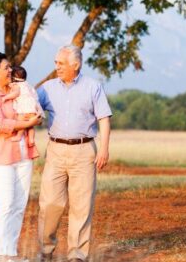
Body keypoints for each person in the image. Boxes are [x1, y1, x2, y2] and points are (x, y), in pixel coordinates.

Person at [36, 45, 112, 262]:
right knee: (50, 203)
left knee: (81, 205)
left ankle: (76, 256)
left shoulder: (93, 87)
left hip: (84, 150)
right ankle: (46, 251)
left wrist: (104, 149)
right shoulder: (47, 88)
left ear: (75, 65)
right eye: (56, 63)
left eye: (60, 63)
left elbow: (104, 118)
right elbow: (30, 106)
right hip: (56, 150)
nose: (56, 67)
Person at [0, 51, 41, 262]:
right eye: (6, 68)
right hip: (0, 158)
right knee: (5, 205)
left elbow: (30, 106)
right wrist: (28, 124)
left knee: (19, 205)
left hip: (24, 154)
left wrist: (33, 117)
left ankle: (11, 253)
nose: (10, 70)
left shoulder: (17, 89)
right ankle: (2, 255)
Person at [3, 65, 44, 147]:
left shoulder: (16, 85)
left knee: (21, 122)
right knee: (30, 125)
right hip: (33, 109)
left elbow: (16, 93)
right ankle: (31, 139)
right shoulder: (28, 85)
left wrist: (6, 97)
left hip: (24, 109)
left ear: (13, 77)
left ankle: (18, 136)